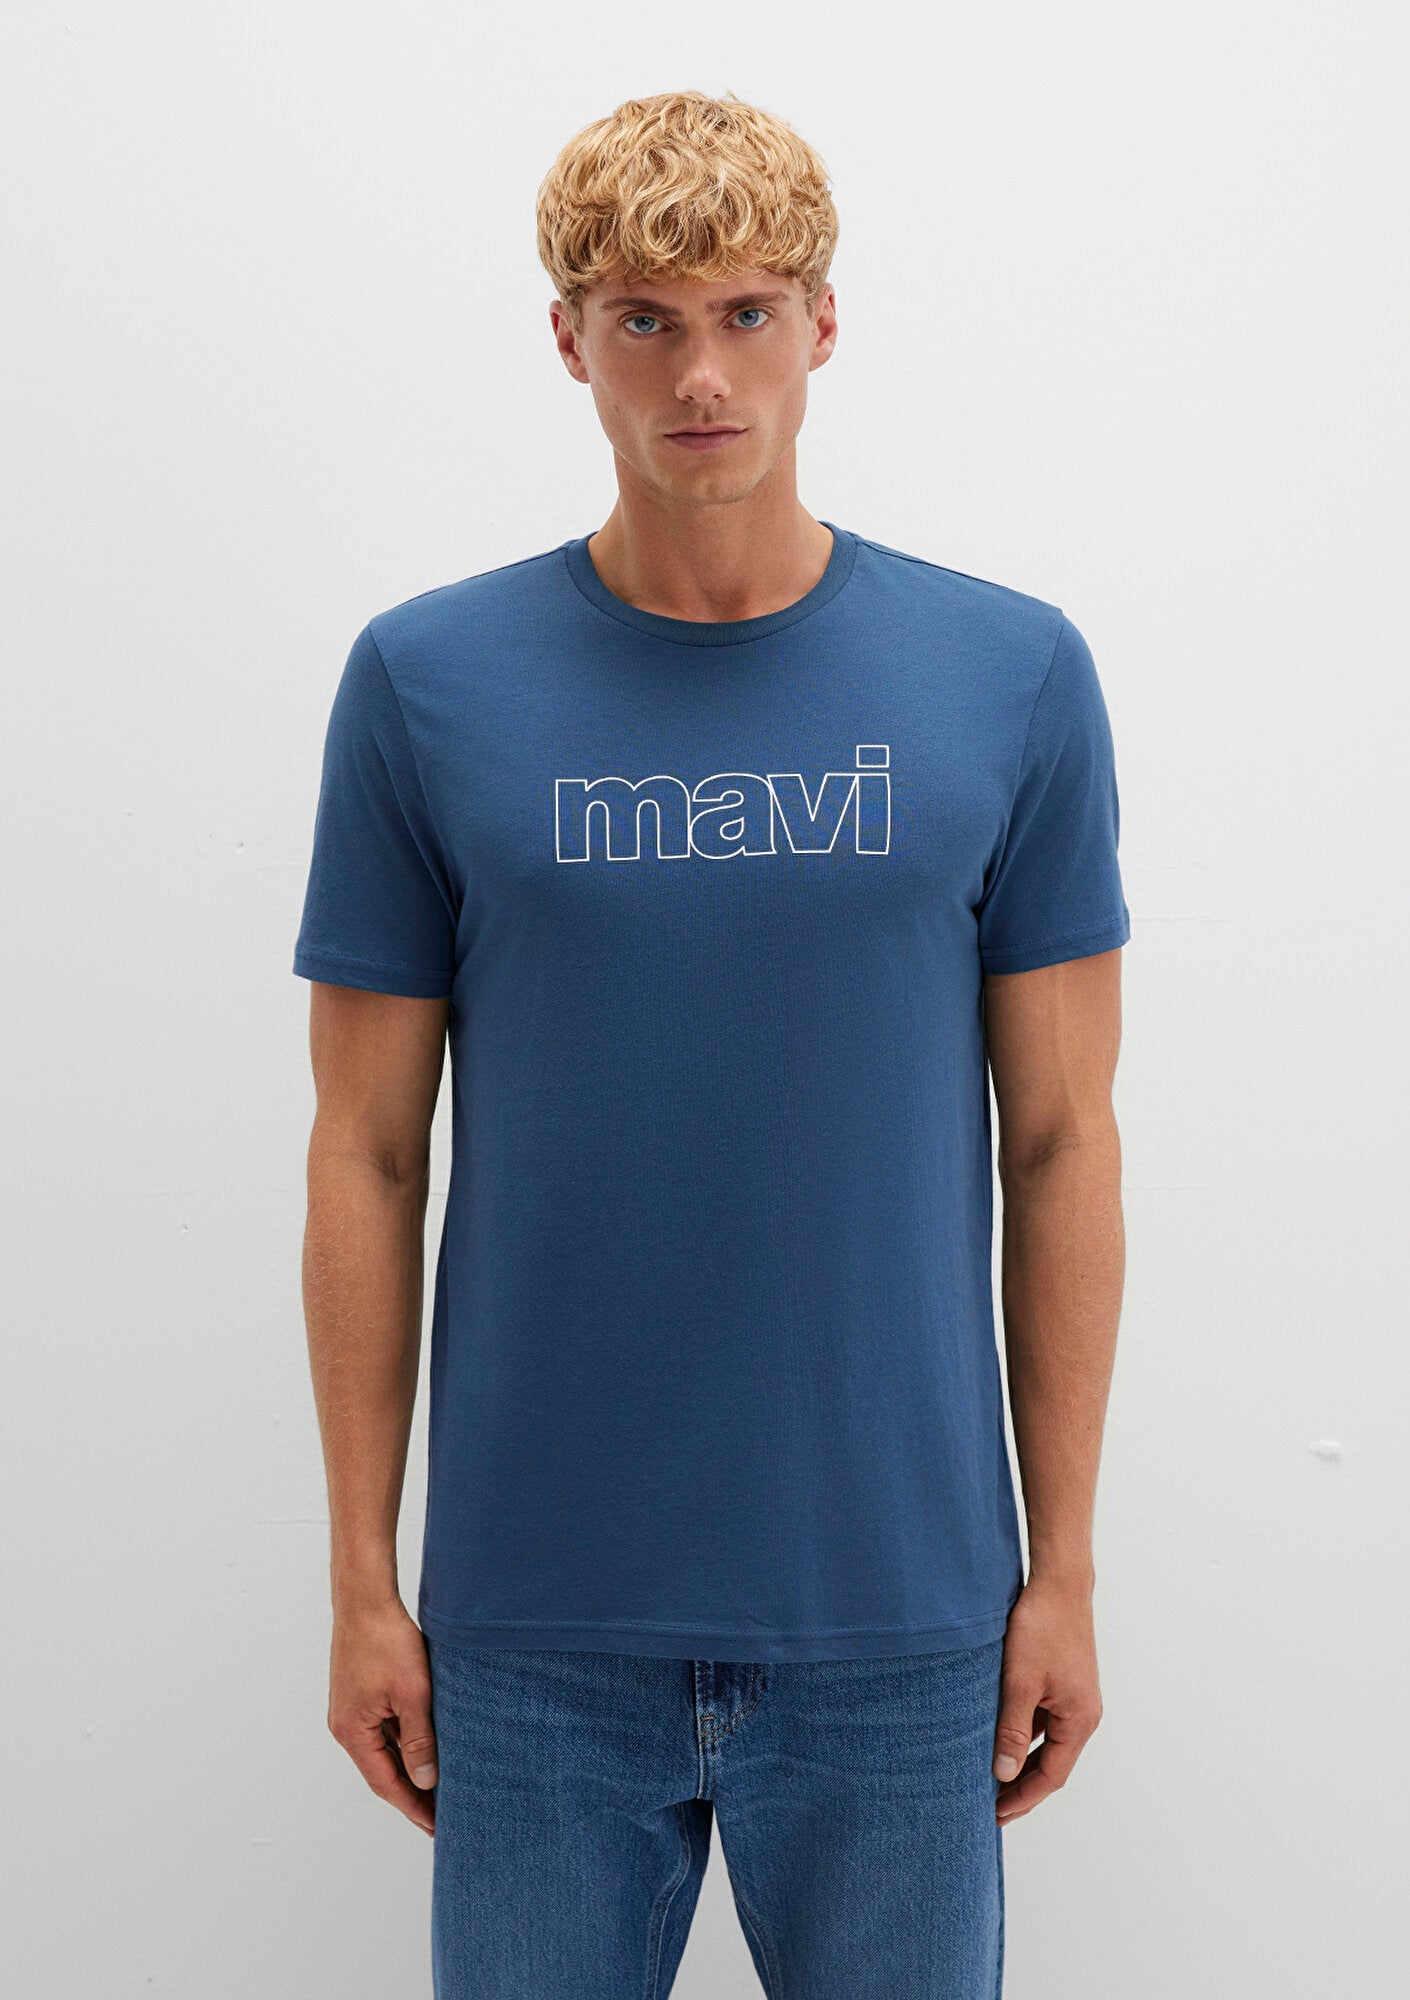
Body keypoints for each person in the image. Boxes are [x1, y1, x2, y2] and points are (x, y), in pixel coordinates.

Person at [293, 88, 1129, 2000]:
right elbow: (365, 1148)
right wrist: (359, 1583)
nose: (700, 373)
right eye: (646, 320)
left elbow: (1063, 1138)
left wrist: (1063, 1568)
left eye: (748, 313)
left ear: (823, 324)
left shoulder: (1007, 676)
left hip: (900, 1613)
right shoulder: (425, 682)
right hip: (533, 1621)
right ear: (567, 338)